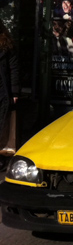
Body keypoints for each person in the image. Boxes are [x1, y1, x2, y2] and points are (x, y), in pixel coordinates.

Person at [0, 19, 19, 160]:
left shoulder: (7, 45)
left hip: (2, 91)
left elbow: (14, 69)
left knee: (1, 125)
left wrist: (14, 92)